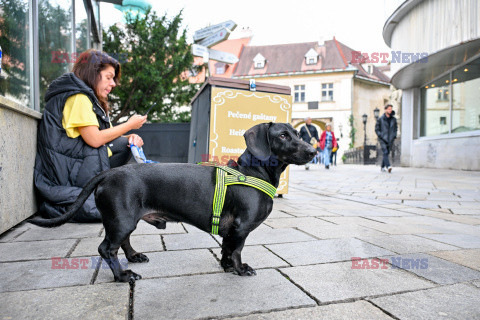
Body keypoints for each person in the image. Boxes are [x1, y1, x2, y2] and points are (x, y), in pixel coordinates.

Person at [34, 49, 147, 222]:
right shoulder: (78, 97)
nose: (113, 84)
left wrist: (130, 137)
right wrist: (128, 125)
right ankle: (102, 193)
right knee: (111, 210)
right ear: (93, 73)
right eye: (108, 77)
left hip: (77, 168)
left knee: (124, 146)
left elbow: (105, 138)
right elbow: (94, 139)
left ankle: (107, 190)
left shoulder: (87, 97)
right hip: (65, 177)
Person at [375, 104, 398, 173]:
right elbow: (377, 129)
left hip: (390, 139)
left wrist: (394, 135)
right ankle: (388, 166)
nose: (390, 110)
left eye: (391, 109)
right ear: (385, 110)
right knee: (385, 151)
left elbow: (395, 128)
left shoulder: (394, 119)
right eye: (388, 109)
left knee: (387, 153)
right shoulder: (380, 119)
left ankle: (382, 167)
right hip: (382, 139)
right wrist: (380, 135)